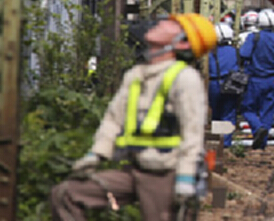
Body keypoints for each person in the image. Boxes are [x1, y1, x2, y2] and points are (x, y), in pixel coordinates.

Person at [50, 14, 216, 221]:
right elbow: (113, 119)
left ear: (182, 43)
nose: (162, 22)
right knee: (67, 194)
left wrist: (185, 177)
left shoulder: (185, 79)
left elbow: (192, 136)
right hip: (133, 169)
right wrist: (97, 154)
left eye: (173, 24)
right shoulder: (136, 75)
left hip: (166, 175)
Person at [239, 8, 274, 149]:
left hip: (255, 80)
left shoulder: (253, 38)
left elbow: (244, 54)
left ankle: (257, 128)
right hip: (273, 80)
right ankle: (262, 143)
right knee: (268, 111)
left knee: (248, 109)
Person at [208, 23, 240, 147]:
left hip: (213, 84)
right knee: (228, 113)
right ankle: (225, 143)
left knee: (216, 112)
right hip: (231, 84)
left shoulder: (209, 52)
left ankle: (216, 141)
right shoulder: (235, 52)